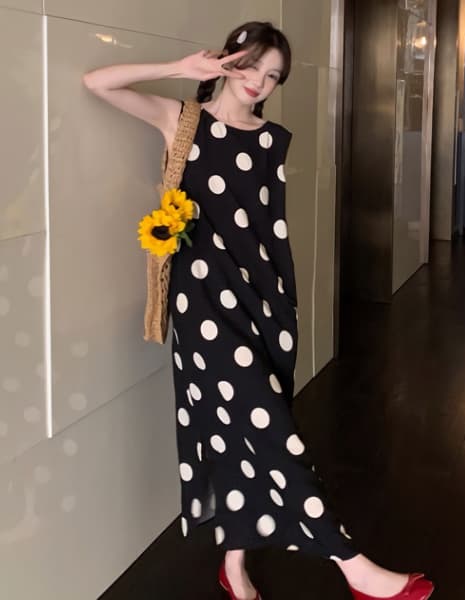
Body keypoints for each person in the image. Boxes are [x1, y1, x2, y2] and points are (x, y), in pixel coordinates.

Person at [83, 21, 434, 600]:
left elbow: (268, 234)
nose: (259, 82)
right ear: (229, 59)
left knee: (237, 430)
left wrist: (283, 307)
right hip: (202, 305)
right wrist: (180, 69)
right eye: (251, 66)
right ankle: (353, 565)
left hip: (265, 305)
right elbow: (98, 82)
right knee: (270, 430)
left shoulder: (272, 140)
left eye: (272, 76)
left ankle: (234, 564)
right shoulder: (183, 120)